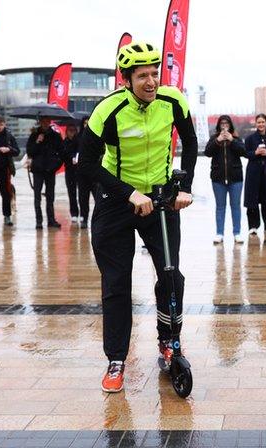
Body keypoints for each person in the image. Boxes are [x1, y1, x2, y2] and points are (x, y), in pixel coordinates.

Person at [78, 41, 197, 393]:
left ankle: (169, 342)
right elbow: (85, 165)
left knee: (171, 276)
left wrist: (182, 187)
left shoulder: (172, 101)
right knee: (117, 283)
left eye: (154, 73)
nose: (151, 81)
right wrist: (129, 194)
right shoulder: (108, 111)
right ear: (127, 79)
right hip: (117, 203)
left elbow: (190, 144)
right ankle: (116, 359)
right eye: (142, 75)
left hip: (159, 200)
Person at [204, 114, 246, 243]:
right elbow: (207, 152)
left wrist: (232, 140)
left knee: (235, 206)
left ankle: (237, 233)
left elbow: (243, 152)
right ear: (219, 125)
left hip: (236, 178)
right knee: (220, 206)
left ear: (230, 125)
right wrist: (218, 140)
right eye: (222, 124)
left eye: (226, 124)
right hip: (218, 178)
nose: (224, 126)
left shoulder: (237, 138)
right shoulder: (214, 138)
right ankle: (219, 233)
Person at [26, 117, 63, 229]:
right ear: (40, 122)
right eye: (43, 121)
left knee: (50, 196)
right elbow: (30, 152)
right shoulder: (34, 135)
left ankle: (51, 220)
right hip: (38, 170)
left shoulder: (56, 136)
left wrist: (55, 166)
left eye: (47, 121)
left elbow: (61, 152)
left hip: (50, 170)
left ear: (50, 122)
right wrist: (37, 142)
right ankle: (39, 221)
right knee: (37, 196)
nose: (45, 123)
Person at [243, 113, 266, 236]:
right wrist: (255, 152)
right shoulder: (250, 139)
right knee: (252, 199)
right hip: (253, 172)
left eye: (263, 122)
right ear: (255, 124)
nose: (261, 124)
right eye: (259, 122)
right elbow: (246, 154)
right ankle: (253, 226)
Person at [61, 122, 85, 226]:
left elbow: (81, 152)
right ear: (66, 132)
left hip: (79, 170)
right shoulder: (64, 142)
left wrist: (77, 157)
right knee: (71, 193)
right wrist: (70, 158)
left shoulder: (79, 141)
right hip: (69, 170)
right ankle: (74, 213)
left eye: (73, 130)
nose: (71, 133)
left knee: (82, 193)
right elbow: (63, 155)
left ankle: (83, 213)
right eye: (69, 131)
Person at [75, 116, 94, 229]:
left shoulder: (96, 137)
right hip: (81, 173)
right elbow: (72, 150)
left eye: (88, 123)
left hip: (93, 172)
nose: (86, 125)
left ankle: (99, 218)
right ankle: (84, 219)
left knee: (98, 197)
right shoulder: (78, 137)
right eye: (85, 123)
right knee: (83, 198)